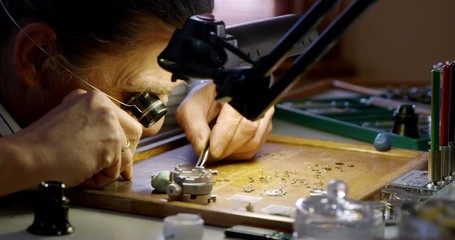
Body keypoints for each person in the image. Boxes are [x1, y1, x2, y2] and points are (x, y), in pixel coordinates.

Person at [0, 0, 274, 197]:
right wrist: (29, 156)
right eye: (141, 99)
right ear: (38, 58)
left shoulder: (132, 69)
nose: (151, 127)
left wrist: (208, 91)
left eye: (171, 88)